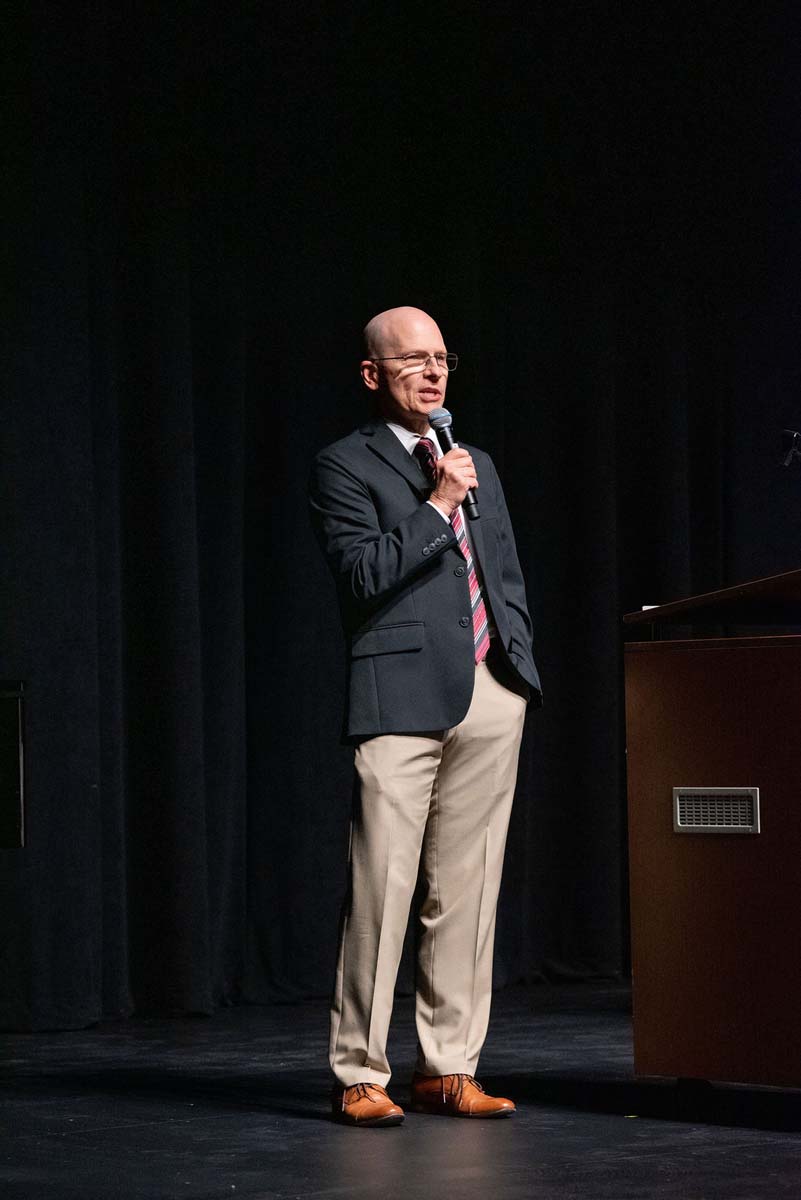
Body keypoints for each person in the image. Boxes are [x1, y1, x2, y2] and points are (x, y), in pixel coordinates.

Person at [308, 306, 541, 1127]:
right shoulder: (344, 464)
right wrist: (438, 505)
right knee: (381, 887)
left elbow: (500, 569)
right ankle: (359, 1072)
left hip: (488, 685)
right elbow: (361, 573)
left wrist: (515, 665)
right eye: (413, 360)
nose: (434, 372)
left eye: (441, 357)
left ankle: (447, 1067)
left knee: (468, 890)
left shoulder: (476, 461)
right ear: (372, 374)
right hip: (399, 693)